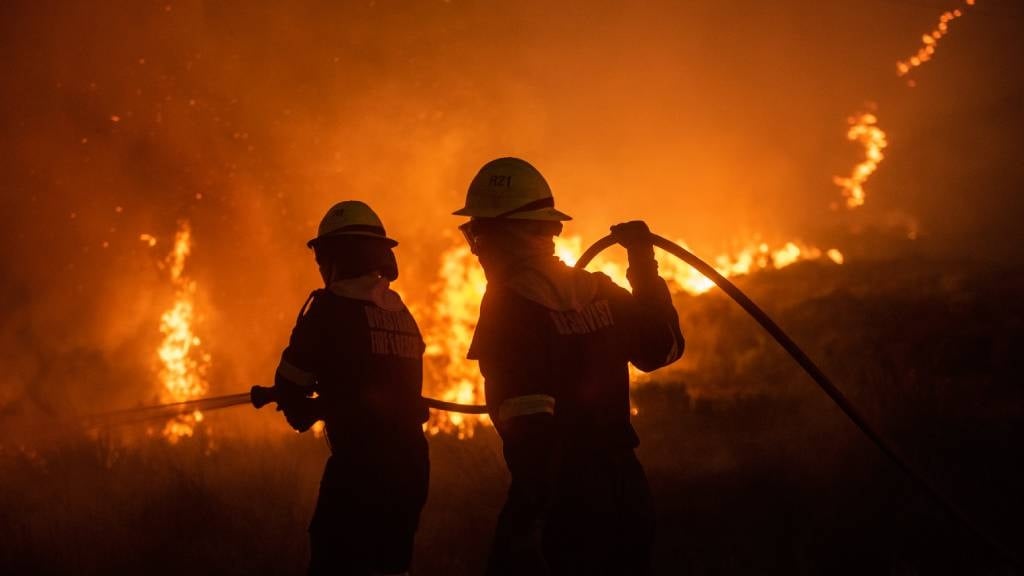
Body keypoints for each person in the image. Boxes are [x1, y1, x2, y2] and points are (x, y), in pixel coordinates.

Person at [454, 157, 684, 575]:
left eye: (480, 234)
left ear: (505, 236)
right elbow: (662, 349)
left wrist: (519, 528)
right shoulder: (601, 291)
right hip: (628, 494)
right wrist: (643, 265)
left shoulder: (509, 308)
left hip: (569, 503)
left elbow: (534, 438)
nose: (477, 249)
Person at [273, 200, 429, 576]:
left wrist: (307, 406)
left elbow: (292, 389)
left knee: (335, 560)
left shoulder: (327, 310)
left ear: (332, 258)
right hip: (412, 467)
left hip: (359, 470)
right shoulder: (400, 313)